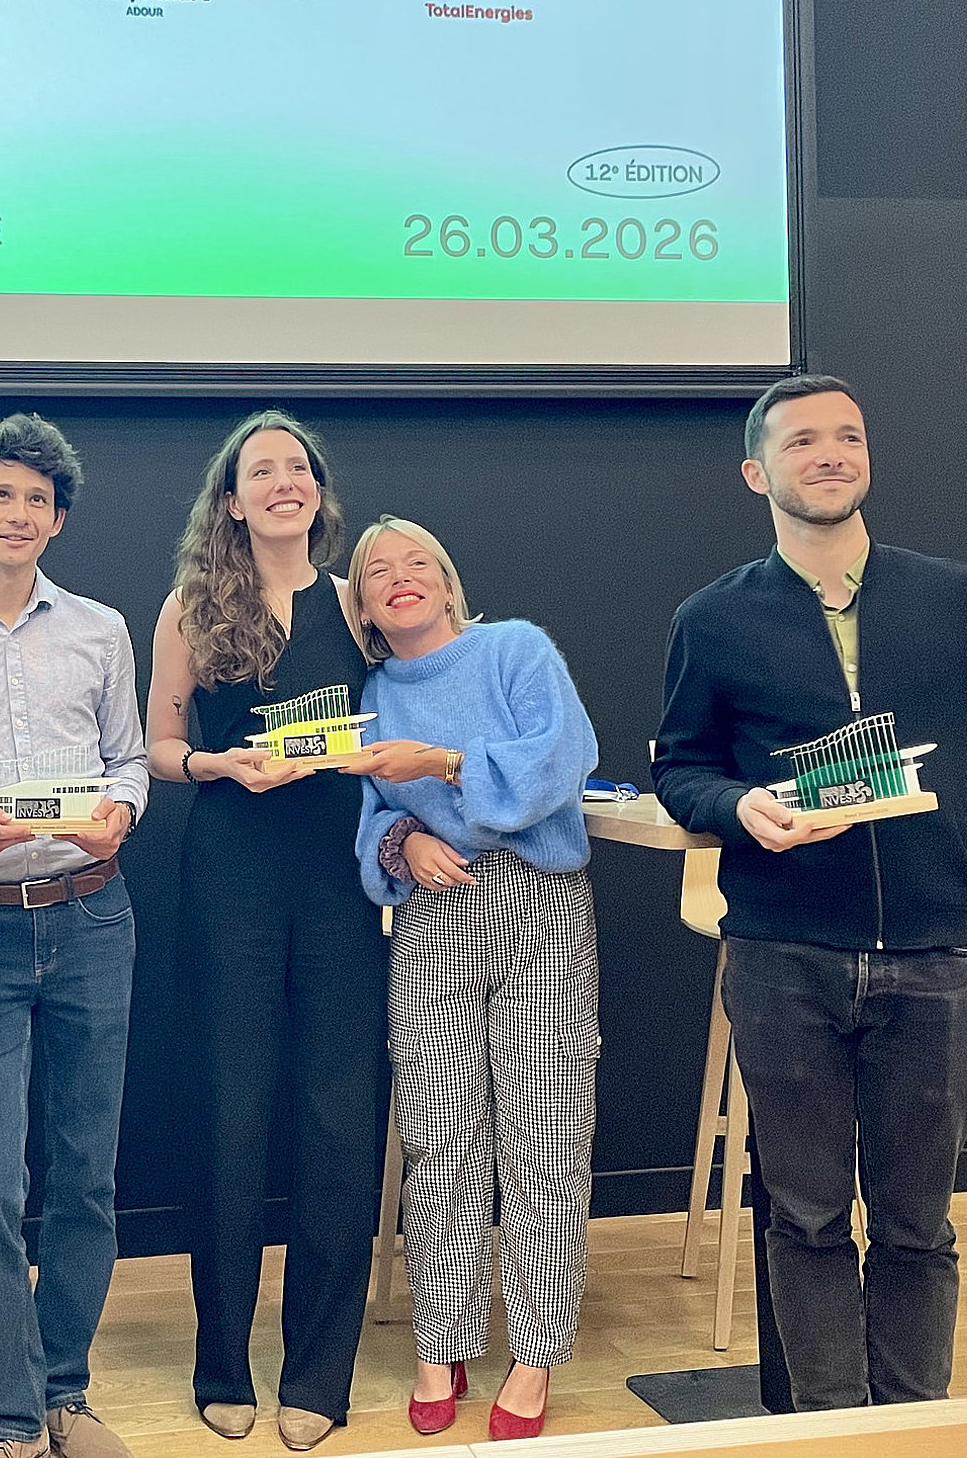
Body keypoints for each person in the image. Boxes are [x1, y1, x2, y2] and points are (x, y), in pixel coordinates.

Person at [652, 373, 967, 1410]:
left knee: (916, 1226)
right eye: (801, 440)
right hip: (781, 956)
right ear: (755, 472)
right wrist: (737, 807)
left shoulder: (959, 598)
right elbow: (680, 765)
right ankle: (826, 1428)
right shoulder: (712, 619)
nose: (830, 453)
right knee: (805, 1218)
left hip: (933, 955)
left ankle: (912, 1425)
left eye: (848, 437)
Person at [143, 410, 387, 1452]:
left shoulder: (360, 605)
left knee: (338, 1120)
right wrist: (215, 764)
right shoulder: (192, 607)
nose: (283, 481)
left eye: (299, 467)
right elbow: (157, 744)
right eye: (262, 471)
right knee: (229, 1118)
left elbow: (407, 725)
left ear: (317, 493)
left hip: (340, 880)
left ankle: (320, 1373)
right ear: (233, 502)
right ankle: (222, 1363)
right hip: (230, 874)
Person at [0, 414, 150, 1458]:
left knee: (85, 1174)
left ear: (56, 522)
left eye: (38, 501)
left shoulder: (100, 629)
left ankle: (64, 1394)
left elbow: (128, 760)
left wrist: (120, 812)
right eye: (0, 495)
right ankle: (9, 1413)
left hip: (92, 913)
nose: (19, 513)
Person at [343, 516, 600, 1442]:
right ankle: (440, 1341)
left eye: (417, 563)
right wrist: (403, 840)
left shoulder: (515, 650)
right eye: (378, 571)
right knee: (439, 1135)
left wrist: (444, 765)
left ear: (448, 582)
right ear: (364, 607)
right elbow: (365, 810)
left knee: (546, 1136)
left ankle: (535, 1354)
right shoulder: (372, 694)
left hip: (539, 903)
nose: (399, 577)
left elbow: (563, 761)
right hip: (433, 915)